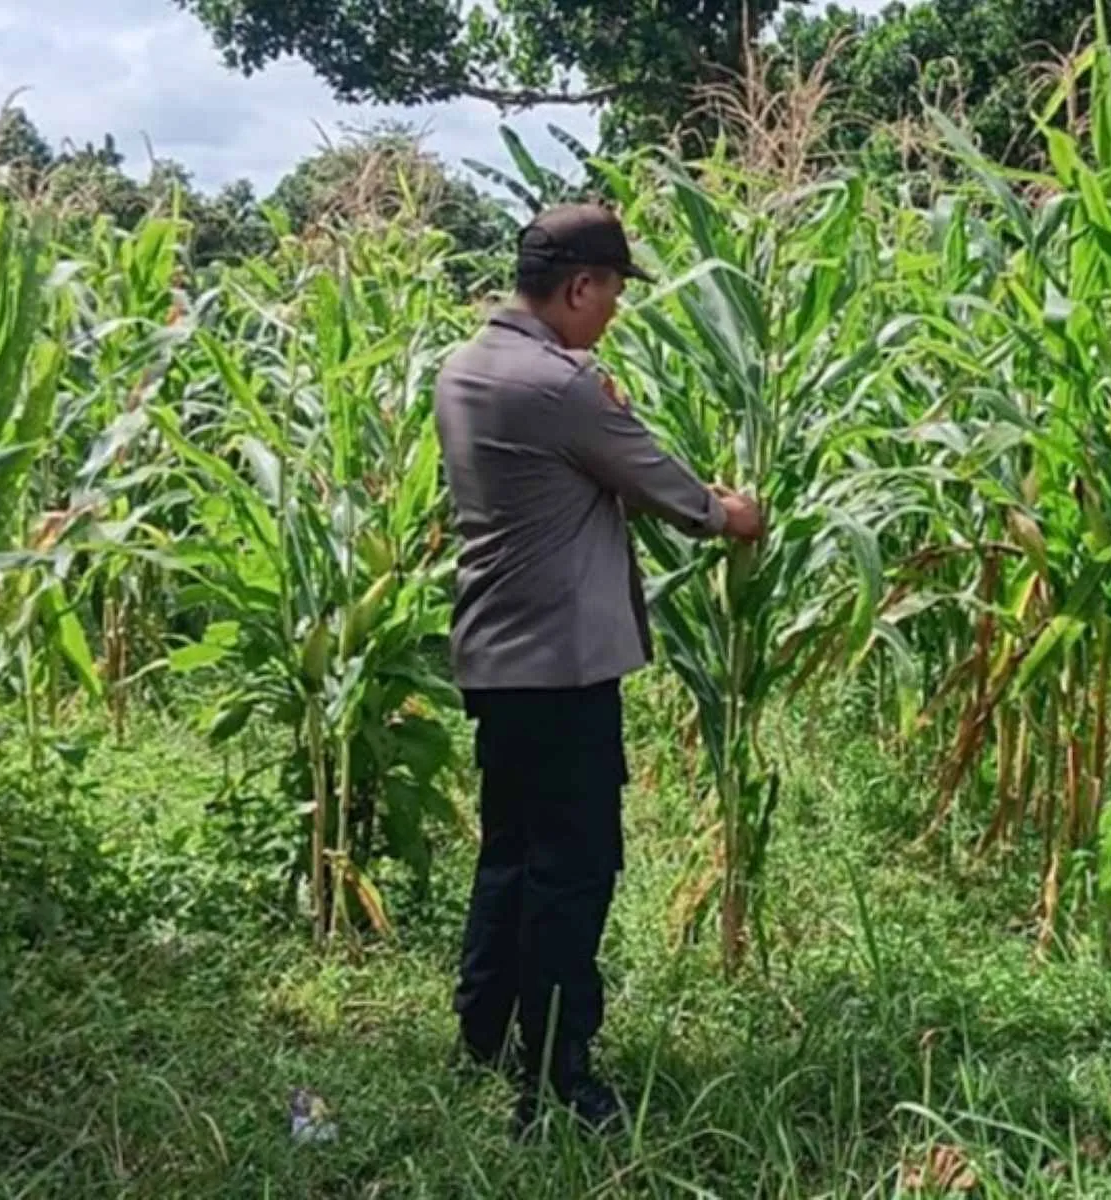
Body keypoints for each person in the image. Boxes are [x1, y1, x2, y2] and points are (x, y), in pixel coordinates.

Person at [433, 204, 765, 1133]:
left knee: (510, 851)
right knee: (573, 870)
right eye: (612, 291)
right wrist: (742, 514)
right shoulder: (559, 385)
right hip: (563, 670)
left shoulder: (463, 368)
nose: (614, 310)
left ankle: (484, 1032)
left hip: (497, 660)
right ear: (579, 286)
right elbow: (673, 493)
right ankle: (557, 1081)